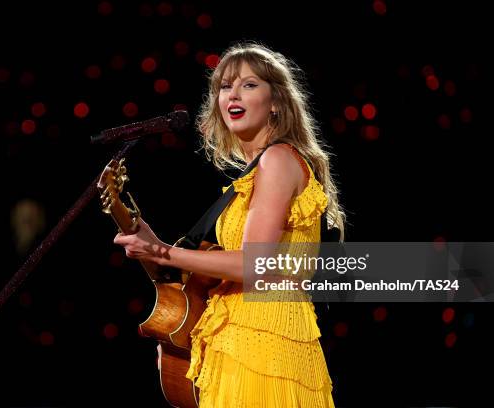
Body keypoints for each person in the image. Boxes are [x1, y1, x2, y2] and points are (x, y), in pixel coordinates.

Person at [113, 42, 345, 407]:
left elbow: (253, 265)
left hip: (263, 345)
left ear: (277, 103)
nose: (233, 94)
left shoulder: (279, 160)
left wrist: (164, 252)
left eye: (249, 85)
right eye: (225, 86)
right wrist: (152, 244)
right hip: (234, 343)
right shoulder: (249, 181)